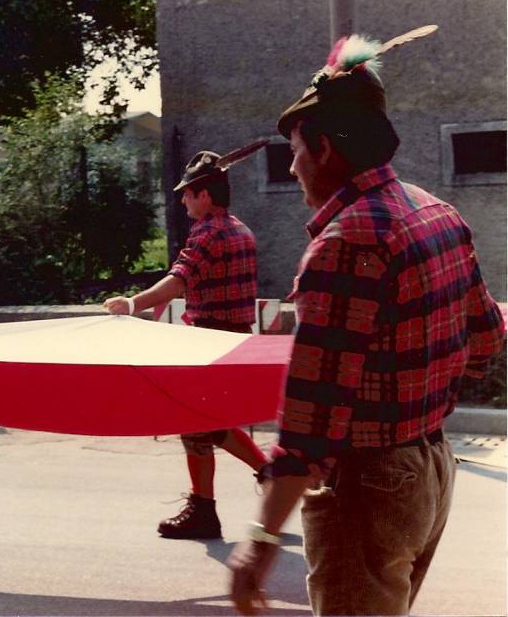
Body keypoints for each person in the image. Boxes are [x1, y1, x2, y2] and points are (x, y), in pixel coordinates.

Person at [228, 30, 506, 615]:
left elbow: (309, 425)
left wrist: (258, 544)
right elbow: (485, 340)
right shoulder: (436, 212)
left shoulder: (346, 243)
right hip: (430, 471)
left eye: (296, 151)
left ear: (326, 148)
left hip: (371, 485)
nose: (295, 167)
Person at [104, 148, 268, 539]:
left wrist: (131, 304)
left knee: (193, 425)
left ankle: (204, 512)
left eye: (188, 192)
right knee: (213, 424)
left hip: (208, 341)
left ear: (205, 195)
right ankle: (270, 472)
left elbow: (179, 280)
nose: (182, 199)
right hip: (236, 338)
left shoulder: (209, 233)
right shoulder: (242, 230)